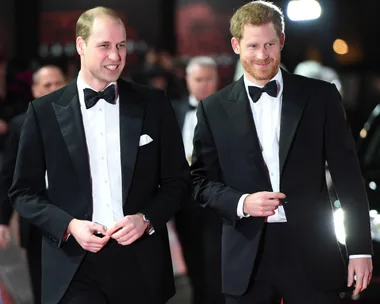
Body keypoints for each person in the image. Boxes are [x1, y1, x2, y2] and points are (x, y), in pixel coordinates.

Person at [190, 1, 373, 304]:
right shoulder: (213, 108)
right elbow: (199, 182)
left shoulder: (320, 96)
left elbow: (348, 176)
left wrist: (359, 249)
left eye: (269, 44)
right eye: (252, 46)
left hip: (312, 254)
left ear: (282, 41)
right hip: (246, 255)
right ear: (236, 45)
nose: (262, 55)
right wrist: (242, 202)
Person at [9, 6, 188, 304]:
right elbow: (23, 192)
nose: (115, 56)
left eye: (121, 46)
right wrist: (69, 226)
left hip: (141, 264)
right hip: (74, 267)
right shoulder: (43, 112)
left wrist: (145, 219)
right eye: (104, 46)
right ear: (81, 46)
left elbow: (178, 181)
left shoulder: (153, 104)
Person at [0, 64, 66, 304]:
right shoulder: (19, 125)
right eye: (46, 85)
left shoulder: (82, 118)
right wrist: (2, 219)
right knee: (42, 289)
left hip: (77, 216)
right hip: (37, 219)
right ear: (35, 90)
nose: (52, 89)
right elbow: (8, 174)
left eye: (58, 83)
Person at [172, 56, 224, 304]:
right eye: (198, 79)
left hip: (219, 200)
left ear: (217, 80)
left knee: (217, 263)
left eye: (208, 79)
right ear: (188, 80)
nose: (203, 84)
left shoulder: (229, 110)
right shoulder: (173, 110)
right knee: (192, 260)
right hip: (184, 202)